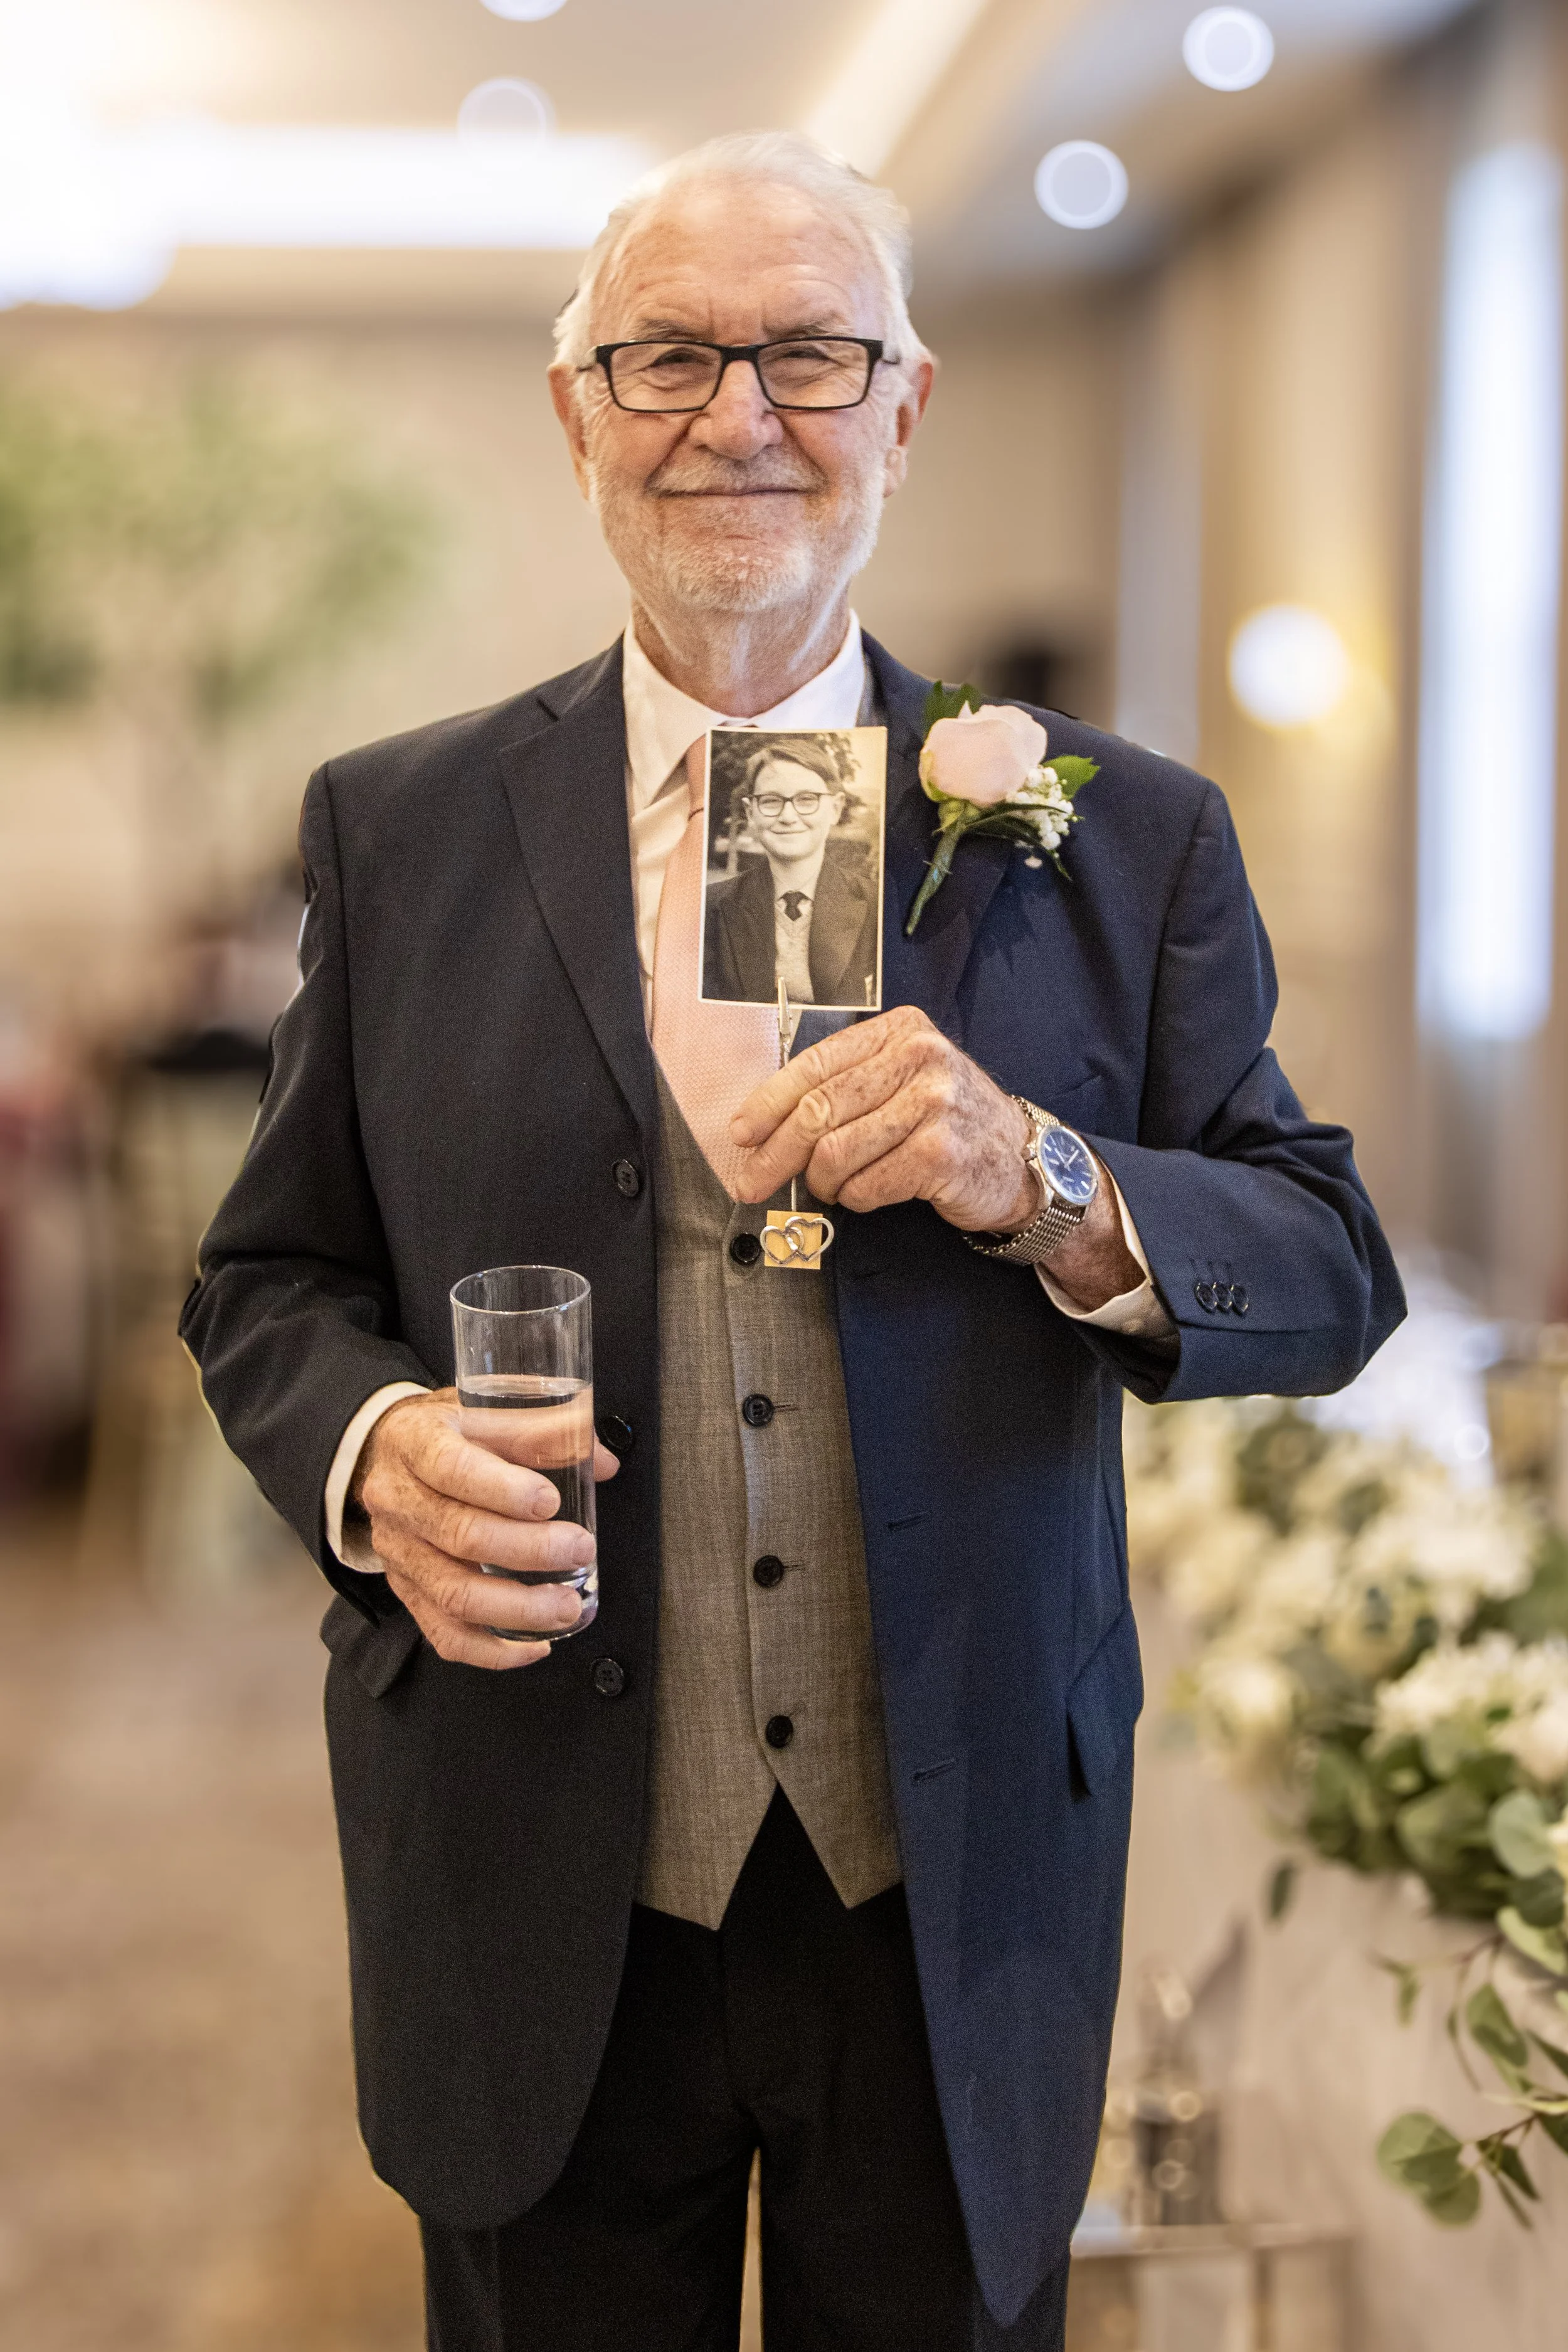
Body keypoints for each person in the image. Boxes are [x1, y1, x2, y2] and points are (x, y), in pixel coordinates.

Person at [181, 130, 1404, 2352]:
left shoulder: (1126, 839)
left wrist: (1046, 1174)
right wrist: (372, 1458)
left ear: (905, 408)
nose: (737, 414)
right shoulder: (400, 824)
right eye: (665, 355)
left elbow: (1327, 1266)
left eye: (810, 354)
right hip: (535, 1852)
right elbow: (266, 1282)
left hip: (947, 1883)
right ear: (579, 412)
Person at [703, 737, 879, 1008]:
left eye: (807, 800)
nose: (788, 816)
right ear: (751, 813)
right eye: (771, 801)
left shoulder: (875, 904)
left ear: (835, 808)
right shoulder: (713, 905)